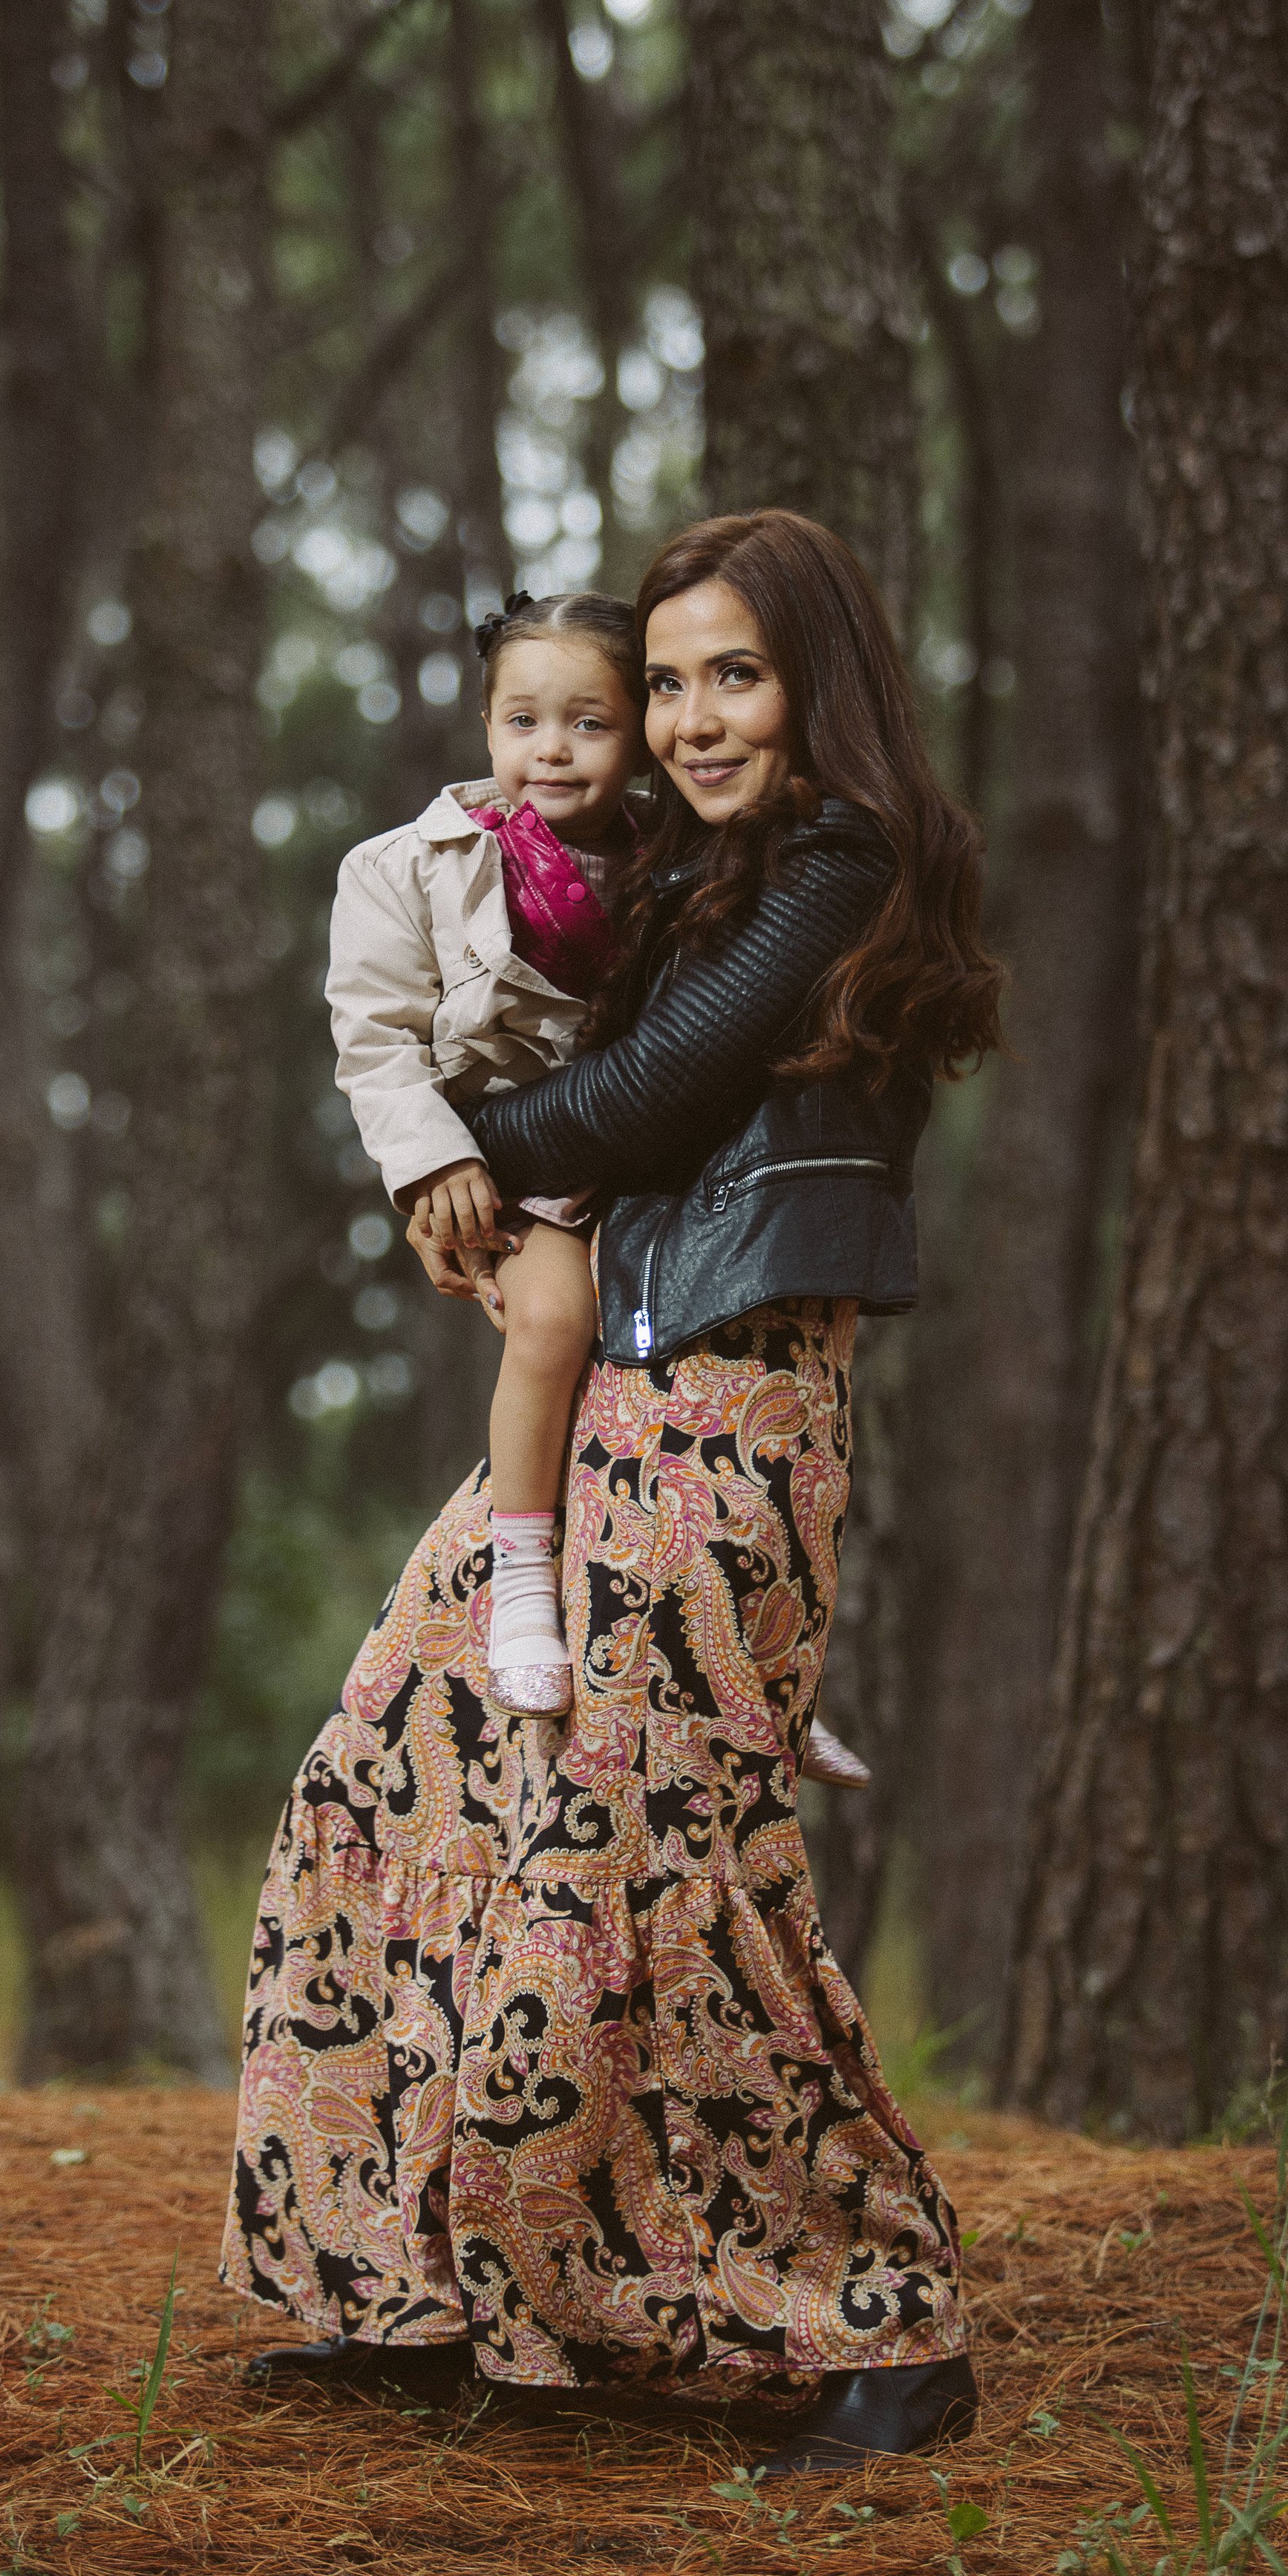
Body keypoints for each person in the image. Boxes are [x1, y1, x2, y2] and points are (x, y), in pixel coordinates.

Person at [223, 509, 1001, 2477]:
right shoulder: (674, 870)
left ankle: (883, 2318)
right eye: (666, 680)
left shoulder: (834, 861)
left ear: (811, 680)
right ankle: (415, 2278)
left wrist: (426, 1133)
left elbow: (641, 1105)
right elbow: (542, 1014)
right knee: (400, 1752)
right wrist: (434, 1131)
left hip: (731, 1402)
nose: (689, 714)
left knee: (657, 1849)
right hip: (605, 1397)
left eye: (732, 672)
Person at [325, 586, 872, 1782]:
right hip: (512, 1169)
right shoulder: (405, 870)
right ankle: (522, 1581)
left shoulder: (678, 859)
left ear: (630, 735)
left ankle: (769, 1678)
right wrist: (438, 1169)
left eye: (589, 723)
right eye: (524, 721)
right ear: (484, 724)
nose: (553, 750)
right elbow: (374, 1043)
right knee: (558, 1324)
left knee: (700, 1436)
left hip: (634, 1171)